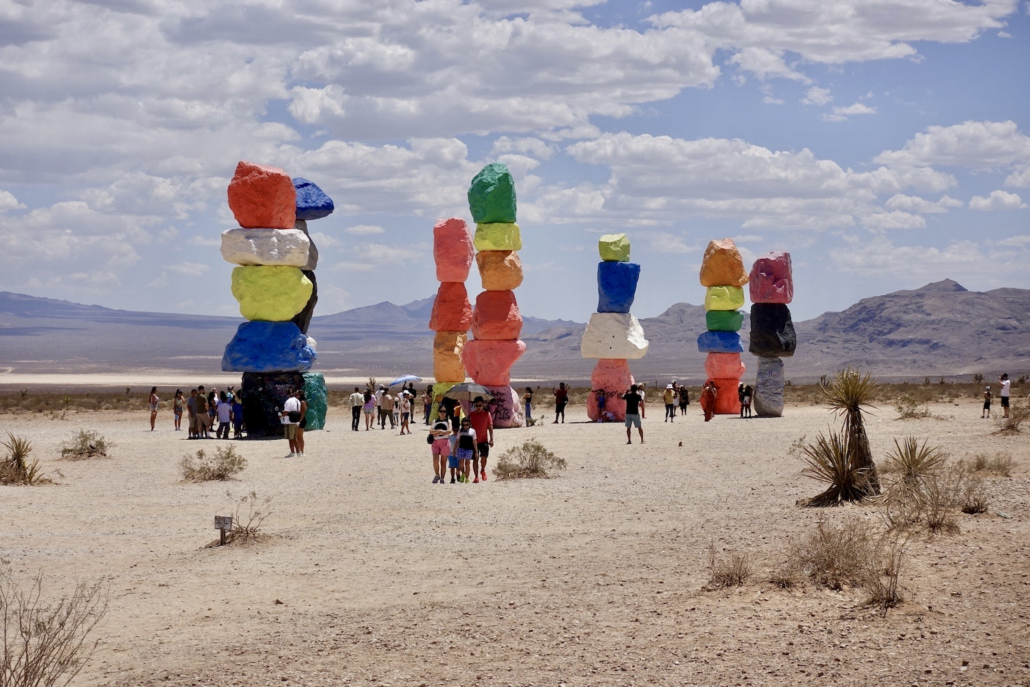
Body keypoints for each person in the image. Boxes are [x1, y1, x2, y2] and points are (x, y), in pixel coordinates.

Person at [469, 397, 494, 483]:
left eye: (480, 405)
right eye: (476, 405)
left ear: (483, 405)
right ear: (474, 406)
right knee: (475, 459)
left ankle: (482, 470)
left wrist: (491, 439)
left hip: (484, 440)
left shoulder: (487, 414)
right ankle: (476, 477)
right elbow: (467, 427)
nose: (478, 407)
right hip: (474, 441)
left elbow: (490, 427)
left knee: (484, 457)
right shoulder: (471, 415)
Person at [453, 417, 479, 483]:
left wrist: (476, 452)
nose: (465, 426)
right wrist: (454, 449)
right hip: (461, 448)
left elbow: (474, 441)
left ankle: (467, 478)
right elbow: (457, 440)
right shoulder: (460, 431)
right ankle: (463, 473)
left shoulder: (472, 431)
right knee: (461, 463)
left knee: (467, 463)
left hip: (469, 449)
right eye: (464, 425)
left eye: (467, 424)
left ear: (469, 424)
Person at [280, 389, 302, 457]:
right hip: (296, 421)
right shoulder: (297, 401)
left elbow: (286, 412)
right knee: (295, 438)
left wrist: (281, 415)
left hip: (290, 421)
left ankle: (292, 452)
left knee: (291, 438)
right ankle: (298, 452)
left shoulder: (288, 401)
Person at [430, 416, 452, 483]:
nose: (442, 413)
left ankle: (442, 478)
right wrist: (440, 431)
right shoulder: (434, 421)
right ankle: (437, 475)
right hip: (435, 442)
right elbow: (431, 431)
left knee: (443, 462)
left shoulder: (448, 421)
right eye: (441, 411)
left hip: (445, 442)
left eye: (444, 411)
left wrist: (438, 432)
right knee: (435, 460)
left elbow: (450, 430)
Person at [295, 390, 309, 455]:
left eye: (297, 394)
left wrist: (299, 421)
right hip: (298, 420)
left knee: (300, 436)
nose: (296, 396)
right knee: (297, 436)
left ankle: (302, 451)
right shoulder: (297, 402)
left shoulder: (302, 402)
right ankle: (299, 450)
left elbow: (302, 413)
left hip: (301, 420)